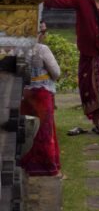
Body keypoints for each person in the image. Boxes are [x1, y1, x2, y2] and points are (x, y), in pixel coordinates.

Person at [43, 0, 99, 134]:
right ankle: (98, 122)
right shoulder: (82, 0)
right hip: (88, 54)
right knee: (91, 88)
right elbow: (59, 2)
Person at [19, 21, 61, 177]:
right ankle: (48, 168)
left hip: (25, 94)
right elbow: (56, 72)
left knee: (28, 130)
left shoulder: (17, 50)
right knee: (45, 132)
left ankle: (27, 165)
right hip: (42, 93)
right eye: (41, 32)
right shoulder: (42, 49)